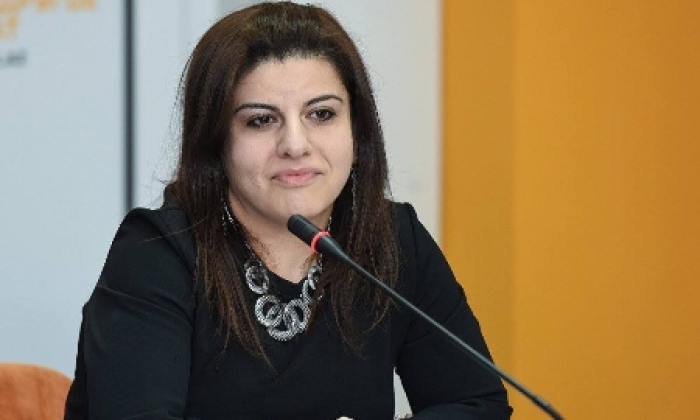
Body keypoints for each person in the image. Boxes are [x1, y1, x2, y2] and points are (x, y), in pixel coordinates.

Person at [64, 2, 511, 419]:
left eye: (321, 114)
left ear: (358, 134)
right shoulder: (156, 252)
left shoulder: (392, 240)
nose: (295, 145)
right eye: (261, 120)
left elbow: (477, 404)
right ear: (216, 144)